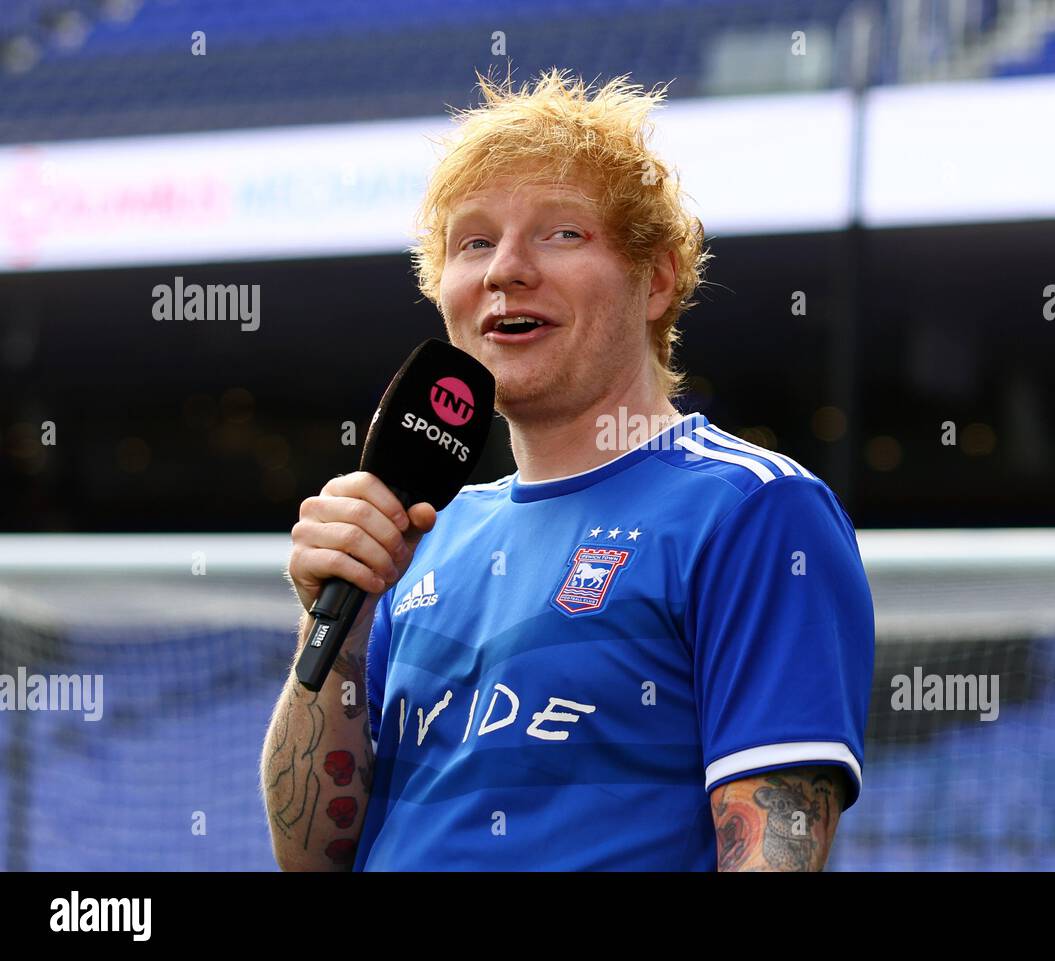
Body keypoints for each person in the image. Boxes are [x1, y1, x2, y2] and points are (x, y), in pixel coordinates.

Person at [262, 68, 874, 871]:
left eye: (560, 234)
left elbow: (774, 851)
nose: (503, 270)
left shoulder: (750, 509)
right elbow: (311, 855)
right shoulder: (420, 540)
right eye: (473, 241)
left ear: (655, 280)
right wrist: (334, 623)